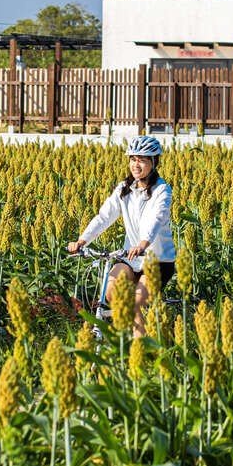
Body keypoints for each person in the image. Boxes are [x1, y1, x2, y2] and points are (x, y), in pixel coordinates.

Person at [67, 136, 176, 338]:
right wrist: (82, 241)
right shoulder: (124, 189)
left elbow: (157, 218)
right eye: (133, 159)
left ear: (153, 162)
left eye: (142, 159)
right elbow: (104, 217)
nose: (136, 164)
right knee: (111, 292)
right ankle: (135, 334)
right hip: (130, 257)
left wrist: (143, 244)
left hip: (157, 260)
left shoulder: (162, 190)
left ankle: (142, 350)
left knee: (135, 302)